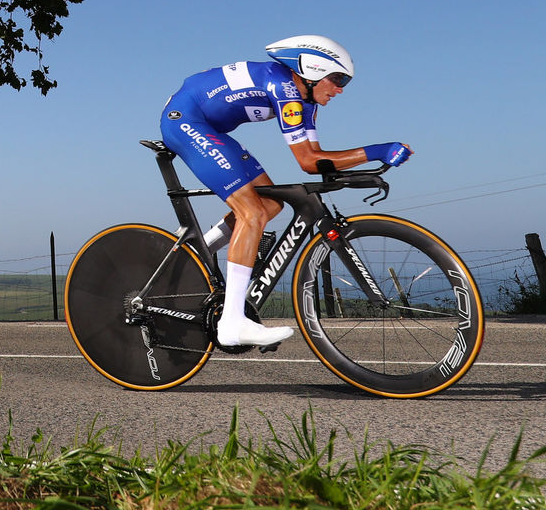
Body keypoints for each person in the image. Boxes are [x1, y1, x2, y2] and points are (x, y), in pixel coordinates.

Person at [160, 35, 412, 347]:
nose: (341, 89)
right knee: (251, 213)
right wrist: (377, 150)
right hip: (185, 122)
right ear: (312, 71)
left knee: (270, 204)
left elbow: (316, 159)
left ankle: (194, 254)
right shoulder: (285, 89)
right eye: (337, 79)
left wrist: (368, 161)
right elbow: (308, 161)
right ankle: (232, 323)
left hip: (207, 126)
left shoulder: (305, 102)